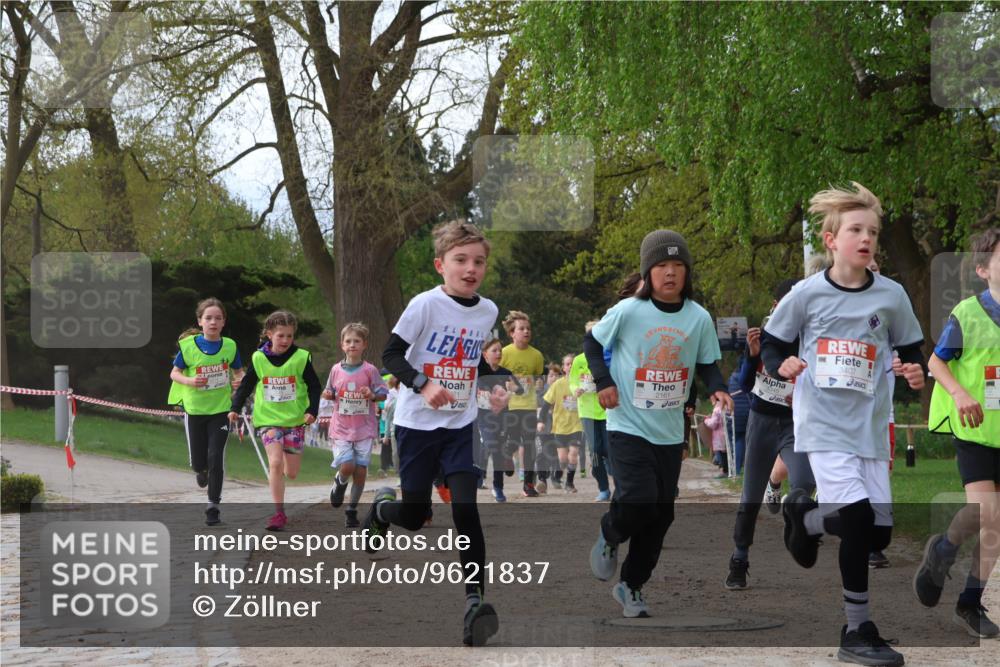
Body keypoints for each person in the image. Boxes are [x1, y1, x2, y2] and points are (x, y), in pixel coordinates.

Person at [763, 182, 926, 667]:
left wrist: (912, 368)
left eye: (872, 231)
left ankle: (805, 518)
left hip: (871, 427)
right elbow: (773, 343)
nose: (867, 238)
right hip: (823, 423)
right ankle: (857, 630)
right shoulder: (807, 294)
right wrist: (781, 366)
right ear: (831, 240)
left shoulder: (892, 296)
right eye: (856, 229)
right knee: (855, 521)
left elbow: (911, 346)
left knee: (877, 535)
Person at [585, 229, 732, 619]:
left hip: (668, 430)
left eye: (678, 266)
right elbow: (592, 344)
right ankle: (609, 532)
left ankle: (630, 585)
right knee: (637, 497)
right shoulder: (629, 311)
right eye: (662, 265)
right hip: (627, 423)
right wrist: (604, 382)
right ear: (648, 272)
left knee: (661, 513)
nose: (670, 273)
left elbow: (706, 363)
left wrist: (717, 388)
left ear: (687, 273)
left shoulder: (698, 317)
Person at [373, 219, 499, 646]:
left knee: (466, 509)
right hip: (417, 425)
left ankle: (474, 601)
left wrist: (493, 386)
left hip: (460, 425)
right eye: (460, 260)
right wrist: (424, 384)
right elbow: (390, 354)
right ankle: (382, 509)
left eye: (478, 261)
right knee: (414, 516)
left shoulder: (489, 311)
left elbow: (471, 359)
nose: (470, 268)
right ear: (440, 265)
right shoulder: (424, 305)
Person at [917, 228, 1000, 638]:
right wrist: (960, 392)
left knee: (996, 526)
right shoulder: (968, 313)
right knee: (986, 512)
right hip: (975, 430)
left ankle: (969, 603)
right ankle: (944, 548)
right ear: (984, 269)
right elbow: (936, 362)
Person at [725, 279, 815, 591]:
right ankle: (739, 558)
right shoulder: (766, 335)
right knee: (750, 496)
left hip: (795, 425)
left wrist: (804, 395)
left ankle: (795, 522)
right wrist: (751, 356)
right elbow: (745, 382)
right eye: (780, 305)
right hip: (762, 421)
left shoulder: (810, 336)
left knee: (805, 483)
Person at [229, 310, 321, 531]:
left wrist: (312, 410)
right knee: (275, 463)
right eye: (281, 336)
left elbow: (314, 386)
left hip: (295, 420)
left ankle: (282, 488)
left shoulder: (301, 357)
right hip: (268, 419)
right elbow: (246, 385)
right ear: (269, 334)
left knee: (292, 472)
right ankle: (278, 513)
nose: (286, 341)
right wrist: (235, 407)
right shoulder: (258, 358)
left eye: (290, 336)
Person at [167, 297, 244, 526]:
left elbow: (239, 372)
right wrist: (190, 381)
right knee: (199, 462)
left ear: (223, 322)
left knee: (215, 457)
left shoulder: (230, 346)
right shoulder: (189, 347)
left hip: (220, 410)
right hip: (195, 410)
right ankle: (200, 471)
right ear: (200, 321)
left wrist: (239, 382)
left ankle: (213, 507)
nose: (213, 322)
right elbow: (174, 373)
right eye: (208, 318)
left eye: (218, 318)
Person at [323, 322, 388, 528]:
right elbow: (329, 391)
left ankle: (351, 509)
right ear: (342, 345)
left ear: (364, 345)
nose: (352, 344)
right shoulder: (335, 370)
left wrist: (372, 395)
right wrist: (328, 395)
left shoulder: (370, 370)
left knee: (360, 472)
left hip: (364, 428)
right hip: (341, 427)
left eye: (356, 341)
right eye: (348, 341)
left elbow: (383, 393)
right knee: (348, 466)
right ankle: (340, 483)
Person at [500, 310, 545, 497]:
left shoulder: (536, 355)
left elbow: (538, 380)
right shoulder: (504, 353)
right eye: (521, 329)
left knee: (529, 444)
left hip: (528, 405)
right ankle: (506, 455)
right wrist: (506, 385)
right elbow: (496, 376)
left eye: (528, 328)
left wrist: (540, 384)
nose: (526, 331)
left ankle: (528, 485)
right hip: (509, 405)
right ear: (512, 333)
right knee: (513, 439)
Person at [476, 337, 522, 502]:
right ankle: (482, 479)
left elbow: (521, 389)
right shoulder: (478, 371)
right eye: (494, 350)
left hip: (503, 418)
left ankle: (498, 488)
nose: (498, 353)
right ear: (485, 354)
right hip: (483, 417)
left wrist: (514, 388)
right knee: (491, 446)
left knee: (498, 453)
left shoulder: (505, 373)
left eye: (500, 350)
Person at [569, 325, 611, 502]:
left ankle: (618, 480)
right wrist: (575, 389)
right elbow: (572, 381)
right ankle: (603, 488)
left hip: (608, 409)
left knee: (610, 450)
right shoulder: (579, 360)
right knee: (595, 451)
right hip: (587, 411)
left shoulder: (609, 356)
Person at [538, 354, 584, 493]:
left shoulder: (583, 384)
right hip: (560, 427)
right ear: (563, 368)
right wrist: (541, 421)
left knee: (573, 454)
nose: (570, 366)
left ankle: (570, 483)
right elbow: (546, 405)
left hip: (577, 425)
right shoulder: (558, 384)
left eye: (572, 363)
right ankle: (557, 474)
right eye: (567, 364)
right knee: (562, 458)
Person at [704, 402, 729, 478]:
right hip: (727, 433)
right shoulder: (728, 406)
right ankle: (725, 468)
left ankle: (724, 471)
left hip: (719, 435)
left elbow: (713, 424)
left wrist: (707, 420)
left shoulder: (717, 409)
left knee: (721, 453)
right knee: (725, 452)